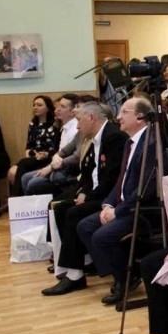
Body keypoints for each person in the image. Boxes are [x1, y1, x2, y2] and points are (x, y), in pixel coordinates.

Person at [73, 97, 158, 304]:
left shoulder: (151, 144)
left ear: (140, 117)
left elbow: (146, 189)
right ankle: (126, 274)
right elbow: (122, 178)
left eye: (124, 112)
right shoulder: (130, 142)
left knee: (101, 237)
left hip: (141, 210)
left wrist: (117, 212)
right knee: (85, 226)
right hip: (123, 205)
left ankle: (124, 279)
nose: (118, 117)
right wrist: (108, 203)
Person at [41, 102, 127, 296]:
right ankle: (83, 260)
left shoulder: (114, 137)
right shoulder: (95, 138)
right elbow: (89, 172)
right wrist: (82, 192)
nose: (77, 126)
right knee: (61, 208)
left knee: (73, 213)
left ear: (91, 118)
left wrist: (88, 196)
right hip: (97, 191)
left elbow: (113, 178)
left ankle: (75, 275)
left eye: (79, 120)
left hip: (110, 196)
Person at [20, 94, 79, 196]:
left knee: (32, 183)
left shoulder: (74, 130)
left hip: (67, 169)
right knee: (25, 177)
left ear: (72, 112)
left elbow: (71, 157)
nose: (57, 109)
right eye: (58, 106)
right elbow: (61, 151)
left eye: (62, 107)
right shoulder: (64, 127)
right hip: (57, 165)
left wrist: (49, 168)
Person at [7, 95, 57, 197]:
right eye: (34, 105)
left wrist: (44, 154)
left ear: (48, 108)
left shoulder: (55, 125)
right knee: (12, 172)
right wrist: (29, 154)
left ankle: (16, 198)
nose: (35, 107)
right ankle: (18, 197)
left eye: (39, 105)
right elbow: (29, 145)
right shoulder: (33, 124)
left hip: (47, 158)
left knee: (23, 163)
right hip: (33, 158)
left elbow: (55, 147)